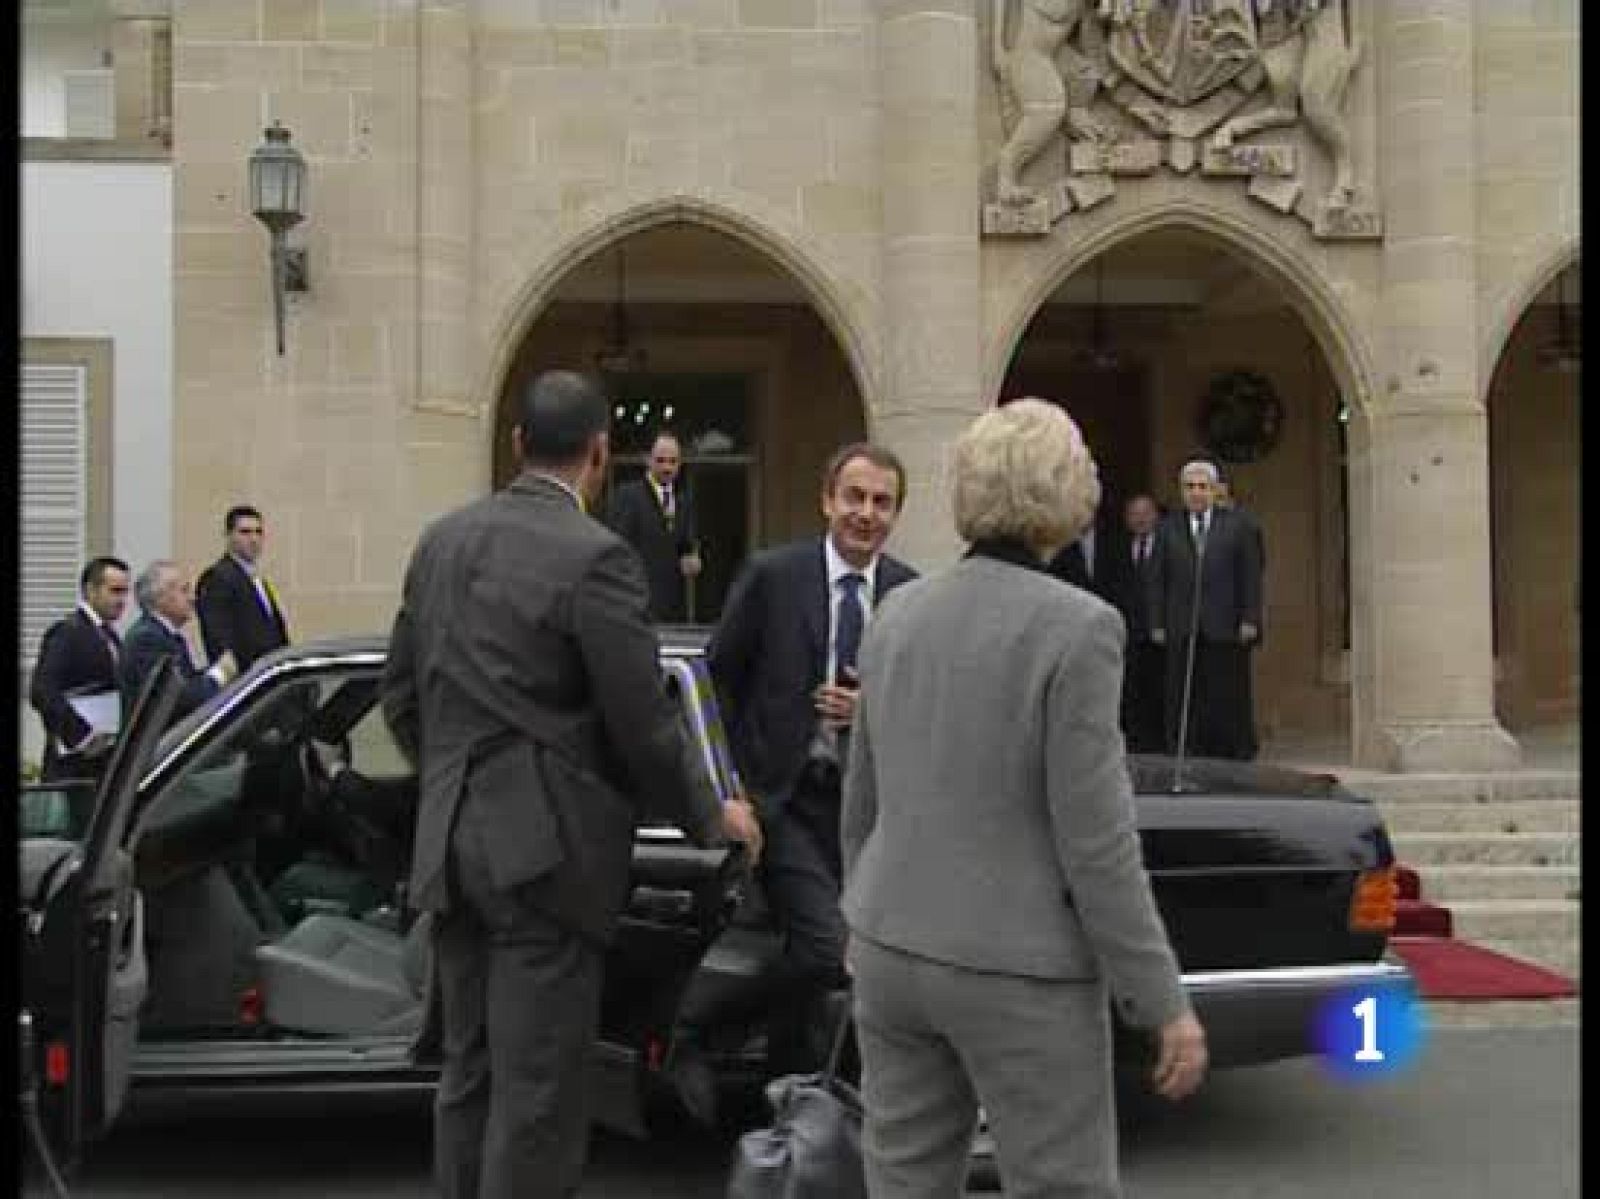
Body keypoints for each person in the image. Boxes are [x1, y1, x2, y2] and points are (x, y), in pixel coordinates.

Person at [380, 369, 763, 1199]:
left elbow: (401, 699)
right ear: (600, 456)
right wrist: (711, 815)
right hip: (545, 861)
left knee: (468, 1073)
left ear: (517, 445)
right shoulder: (599, 557)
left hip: (448, 846)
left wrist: (461, 773)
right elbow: (643, 721)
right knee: (540, 1092)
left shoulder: (440, 539)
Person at [840, 399, 1206, 1199]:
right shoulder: (1080, 627)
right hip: (1019, 965)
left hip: (891, 945)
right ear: (1066, 495)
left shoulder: (897, 612)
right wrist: (1161, 999)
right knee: (1060, 1183)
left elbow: (861, 801)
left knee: (901, 1181)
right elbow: (1098, 842)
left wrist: (857, 917)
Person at [708, 442, 917, 1075]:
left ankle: (792, 1094)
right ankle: (703, 1025)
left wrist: (870, 710)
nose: (866, 513)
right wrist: (731, 787)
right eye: (854, 497)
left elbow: (922, 706)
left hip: (864, 811)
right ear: (828, 500)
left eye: (882, 503)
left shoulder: (910, 594)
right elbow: (718, 682)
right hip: (783, 800)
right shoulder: (774, 577)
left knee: (847, 962)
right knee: (828, 948)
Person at [1148, 460, 1265, 761]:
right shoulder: (1166, 528)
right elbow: (1157, 579)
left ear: (1215, 491)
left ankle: (1230, 752)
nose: (1196, 493)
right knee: (1181, 691)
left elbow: (1250, 576)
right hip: (1181, 624)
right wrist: (1157, 622)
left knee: (1225, 692)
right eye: (1190, 487)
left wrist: (1250, 618)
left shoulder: (1239, 526)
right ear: (1181, 492)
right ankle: (1183, 750)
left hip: (1225, 624)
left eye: (1203, 487)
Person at [30, 556, 133, 784]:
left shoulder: (111, 636)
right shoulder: (68, 632)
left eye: (125, 592)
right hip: (73, 766)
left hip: (103, 760)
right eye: (115, 591)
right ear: (90, 590)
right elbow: (42, 691)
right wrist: (81, 735)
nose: (122, 600)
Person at [122, 560, 239, 724]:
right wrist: (219, 674)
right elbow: (176, 698)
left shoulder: (169, 636)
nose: (193, 598)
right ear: (160, 597)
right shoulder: (147, 639)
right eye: (184, 591)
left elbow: (187, 680)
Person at [605, 430, 702, 623]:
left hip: (673, 609)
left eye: (673, 461)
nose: (667, 467)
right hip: (635, 606)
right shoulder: (628, 497)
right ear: (647, 460)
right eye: (660, 460)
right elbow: (617, 549)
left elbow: (685, 545)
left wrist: (691, 558)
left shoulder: (683, 501)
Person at [196, 505, 290, 672]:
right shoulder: (217, 578)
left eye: (258, 532)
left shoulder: (258, 580)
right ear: (228, 535)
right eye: (245, 532)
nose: (253, 539)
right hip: (247, 678)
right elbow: (219, 641)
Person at [1116, 493, 1166, 753]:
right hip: (1128, 633)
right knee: (1131, 690)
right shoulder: (1117, 549)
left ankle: (1162, 742)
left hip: (1161, 633)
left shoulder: (1168, 546)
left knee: (1162, 689)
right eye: (1134, 514)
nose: (1140, 519)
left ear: (1156, 516)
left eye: (1146, 513)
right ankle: (1136, 742)